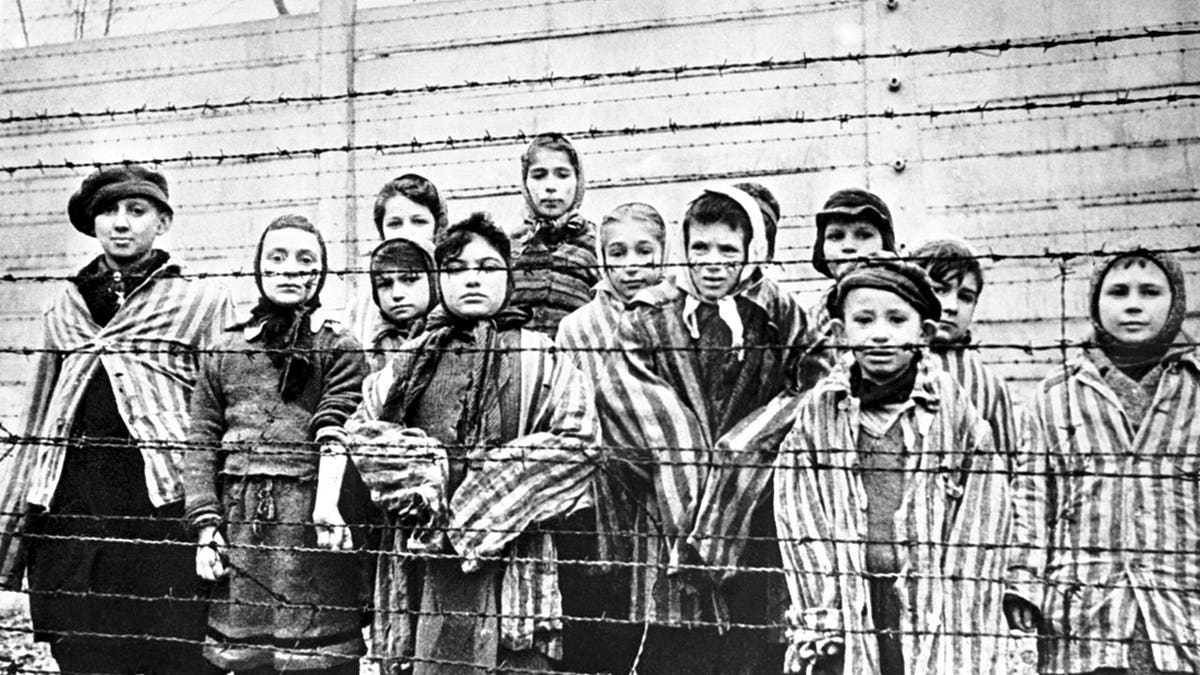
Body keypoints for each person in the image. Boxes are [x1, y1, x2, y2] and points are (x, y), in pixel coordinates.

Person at [0, 165, 234, 673]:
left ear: (163, 222)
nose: (121, 223)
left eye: (136, 210)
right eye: (108, 211)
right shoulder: (66, 305)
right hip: (75, 516)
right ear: (92, 224)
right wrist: (15, 515)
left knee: (175, 652)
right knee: (85, 652)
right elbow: (39, 413)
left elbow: (221, 406)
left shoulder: (199, 302)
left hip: (163, 512)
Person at [344, 212, 598, 674]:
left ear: (509, 275)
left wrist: (487, 497)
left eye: (487, 267)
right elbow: (363, 429)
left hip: (513, 550)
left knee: (515, 659)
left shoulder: (541, 355)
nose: (472, 279)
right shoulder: (411, 359)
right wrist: (423, 476)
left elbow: (580, 441)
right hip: (424, 551)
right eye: (456, 269)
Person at [593, 185, 806, 674]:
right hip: (670, 520)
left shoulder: (779, 312)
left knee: (750, 648)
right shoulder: (649, 314)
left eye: (728, 251)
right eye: (700, 249)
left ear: (751, 252)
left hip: (754, 514)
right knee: (676, 651)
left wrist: (745, 449)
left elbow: (811, 385)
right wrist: (691, 469)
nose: (712, 263)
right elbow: (631, 404)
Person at [774, 256, 1010, 675]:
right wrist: (821, 607)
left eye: (896, 320)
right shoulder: (821, 415)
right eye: (864, 321)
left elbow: (984, 516)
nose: (880, 333)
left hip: (934, 602)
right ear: (839, 334)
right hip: (851, 597)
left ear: (924, 333)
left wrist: (961, 609)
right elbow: (799, 513)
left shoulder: (954, 417)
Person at [183, 214, 371, 673]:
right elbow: (202, 439)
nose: (290, 269)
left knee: (318, 659)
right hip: (241, 523)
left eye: (305, 260)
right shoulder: (225, 351)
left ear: (321, 272)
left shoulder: (340, 347)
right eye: (277, 258)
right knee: (248, 659)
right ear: (259, 268)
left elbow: (342, 424)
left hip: (310, 525)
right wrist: (207, 527)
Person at [1007, 247, 1198, 675]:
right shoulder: (1056, 396)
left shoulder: (1195, 394)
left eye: (1150, 292)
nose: (1133, 304)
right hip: (1083, 612)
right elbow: (1033, 495)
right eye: (1118, 292)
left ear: (1176, 304)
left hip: (1179, 608)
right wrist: (1025, 581)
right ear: (1095, 303)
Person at [555, 202, 668, 673]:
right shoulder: (578, 327)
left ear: (666, 254)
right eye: (618, 252)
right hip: (599, 497)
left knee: (661, 630)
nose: (632, 264)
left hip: (665, 497)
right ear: (601, 259)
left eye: (645, 251)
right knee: (604, 630)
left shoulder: (680, 317)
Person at [910, 239, 1016, 465]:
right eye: (939, 290)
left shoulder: (989, 384)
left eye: (965, 297)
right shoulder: (884, 359)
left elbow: (1004, 469)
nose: (952, 306)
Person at [509, 132, 601, 336]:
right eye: (539, 175)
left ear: (578, 180)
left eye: (562, 174)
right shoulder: (510, 248)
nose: (550, 186)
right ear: (525, 183)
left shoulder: (597, 246)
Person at [349, 174, 448, 357]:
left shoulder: (453, 292)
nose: (407, 232)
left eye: (419, 222)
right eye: (395, 224)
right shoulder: (364, 305)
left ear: (437, 228)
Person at [362, 237, 437, 372]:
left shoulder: (456, 338)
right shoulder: (371, 347)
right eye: (384, 284)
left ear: (434, 281)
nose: (397, 294)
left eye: (410, 279)